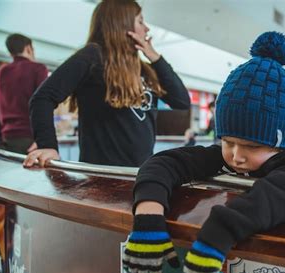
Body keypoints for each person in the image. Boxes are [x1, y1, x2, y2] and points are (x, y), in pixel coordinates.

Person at [122, 32, 285, 273]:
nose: (236, 156)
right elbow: (163, 163)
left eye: (252, 146)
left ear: (280, 142)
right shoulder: (217, 157)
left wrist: (219, 233)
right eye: (227, 141)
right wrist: (148, 216)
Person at [24, 0, 190, 168]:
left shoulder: (144, 69)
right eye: (140, 21)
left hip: (141, 172)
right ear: (122, 23)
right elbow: (43, 97)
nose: (146, 28)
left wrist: (154, 56)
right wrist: (48, 145)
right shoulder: (93, 56)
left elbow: (182, 101)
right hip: (102, 174)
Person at [0, 34, 48, 154]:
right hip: (31, 137)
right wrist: (44, 138)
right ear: (28, 48)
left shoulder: (2, 72)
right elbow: (44, 104)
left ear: (11, 53)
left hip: (7, 137)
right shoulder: (38, 69)